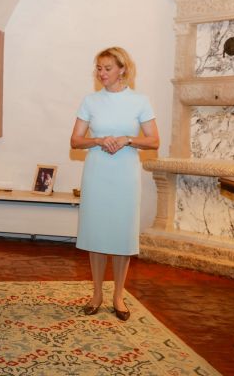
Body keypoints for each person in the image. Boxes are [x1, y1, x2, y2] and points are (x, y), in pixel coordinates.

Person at [70, 47, 159, 321]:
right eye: (98, 68)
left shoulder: (140, 101)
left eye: (107, 68)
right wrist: (98, 140)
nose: (101, 73)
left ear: (122, 69)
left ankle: (118, 296)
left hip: (125, 176)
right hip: (97, 173)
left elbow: (154, 140)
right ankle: (96, 294)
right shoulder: (90, 101)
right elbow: (75, 140)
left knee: (122, 234)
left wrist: (127, 139)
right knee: (97, 234)